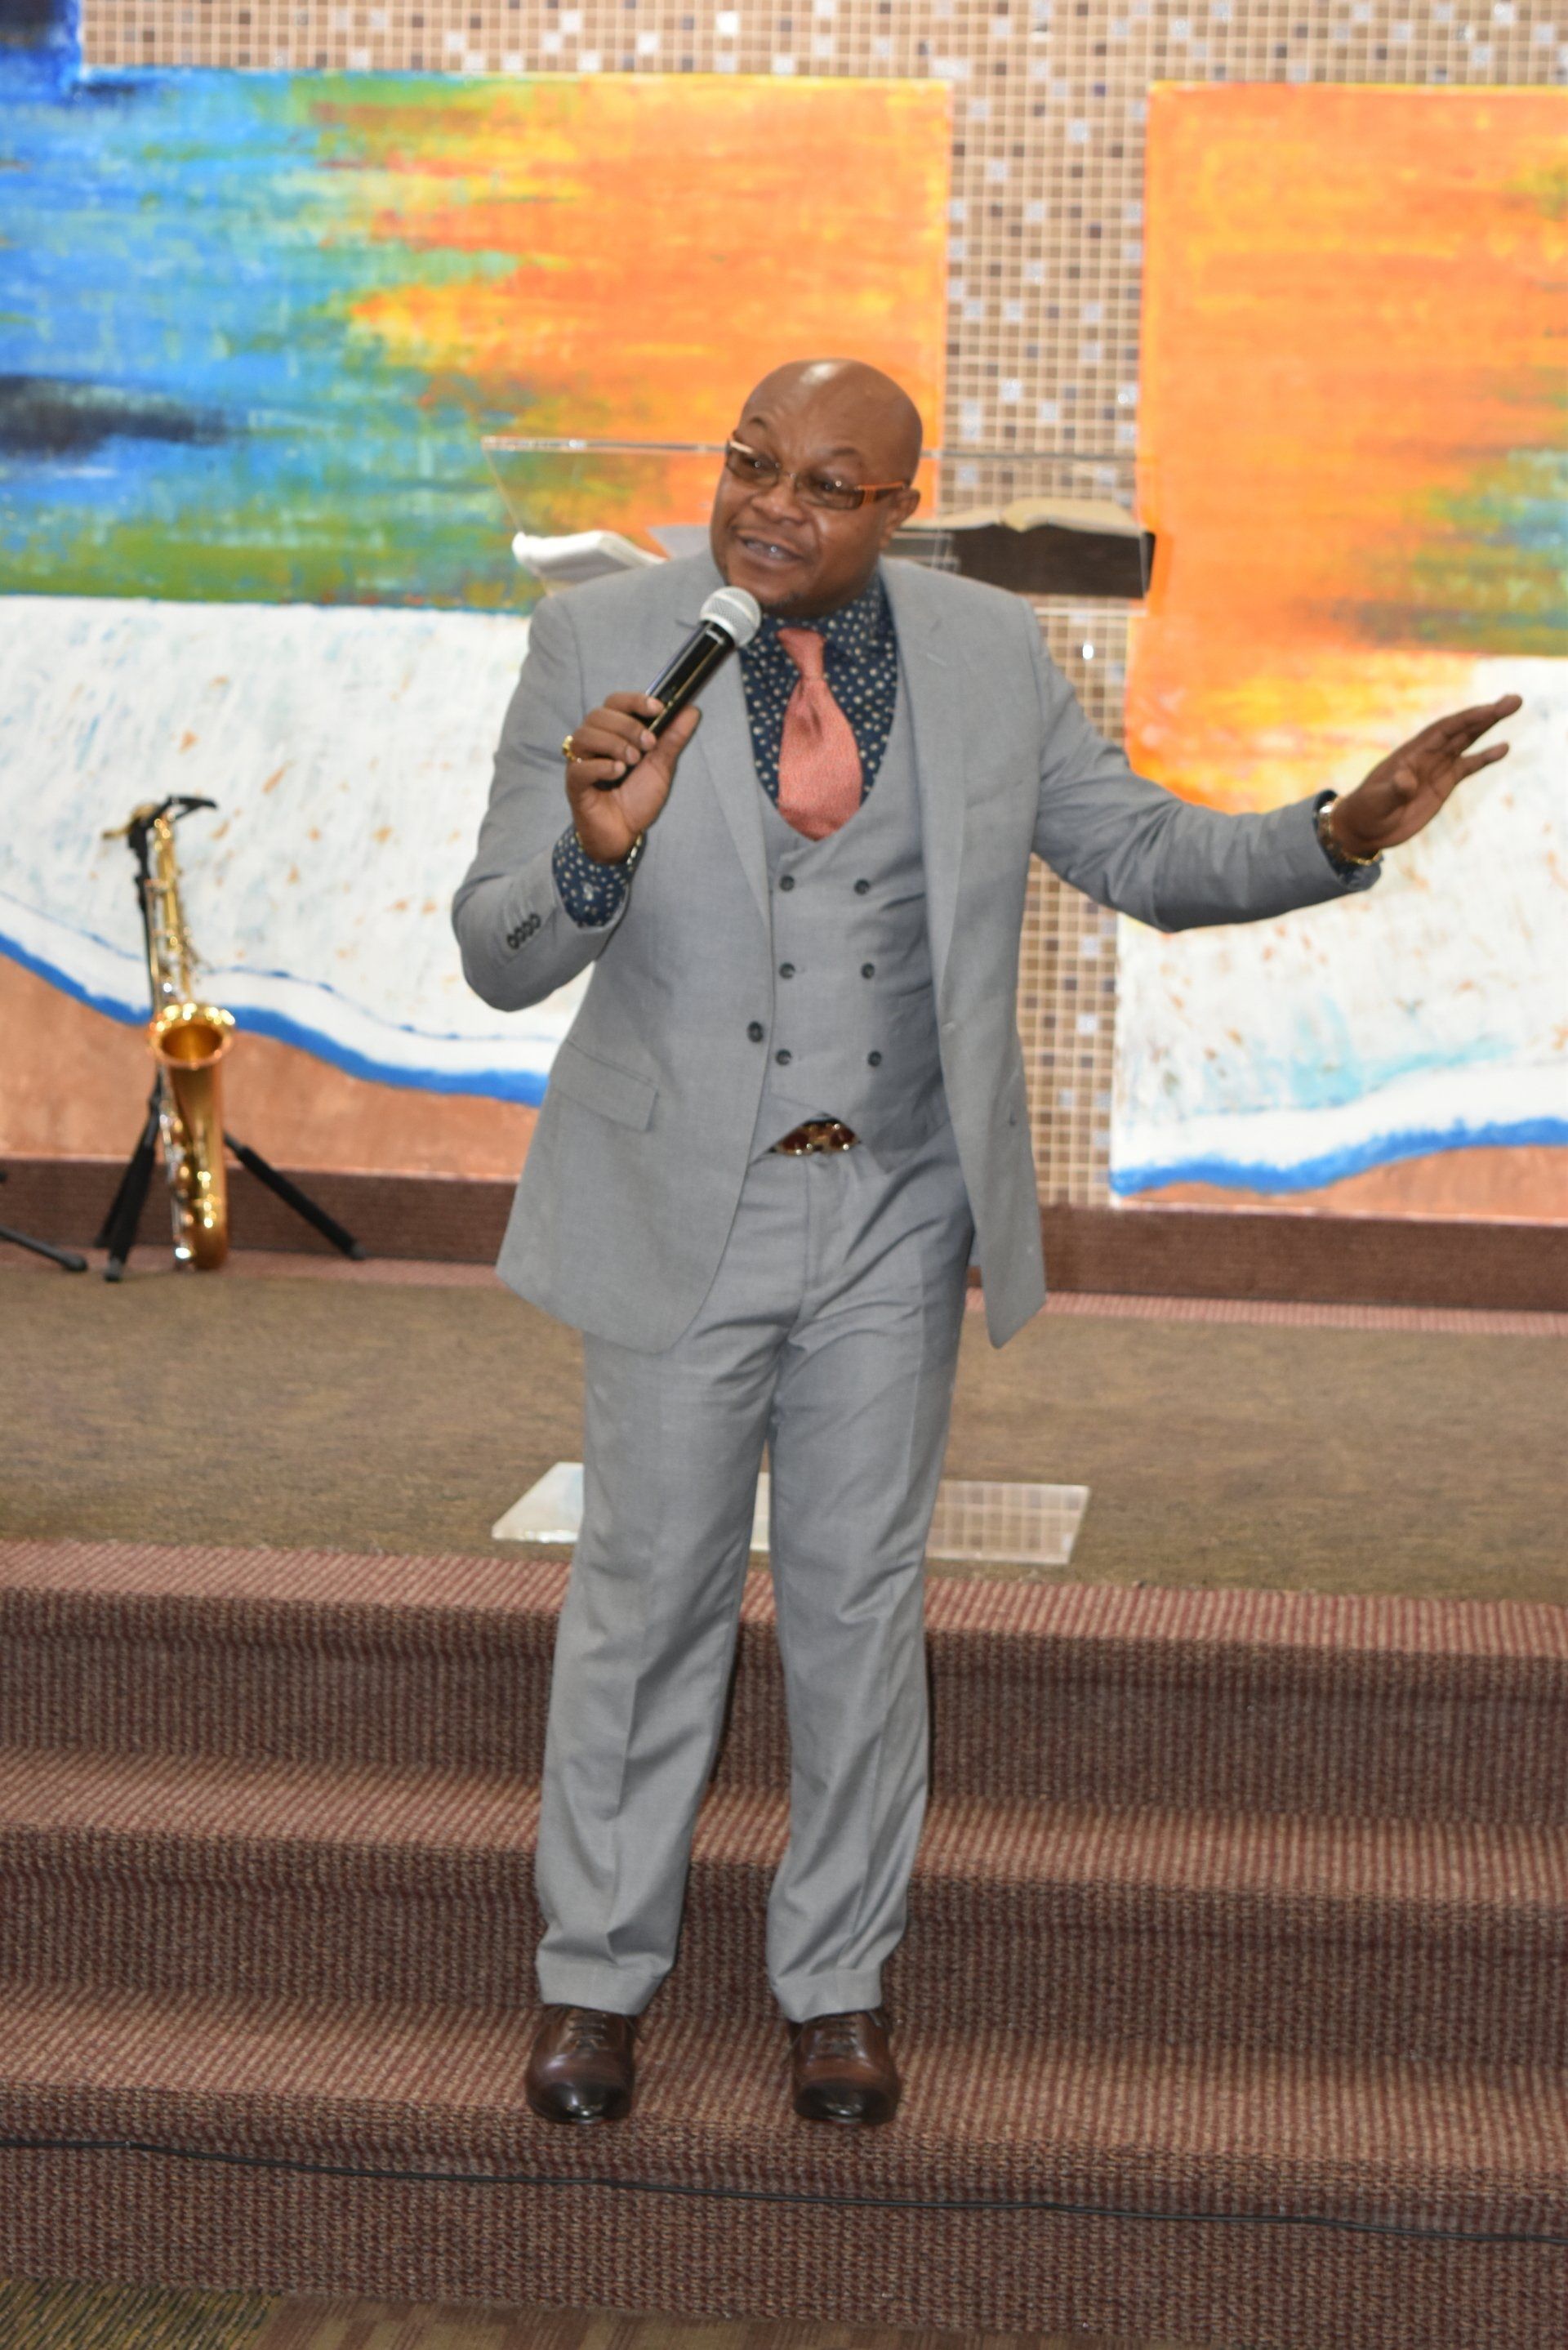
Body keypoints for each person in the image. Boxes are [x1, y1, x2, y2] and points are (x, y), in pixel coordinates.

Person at [452, 356, 1517, 2130]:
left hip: (894, 1203)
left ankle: (837, 1982)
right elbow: (495, 950)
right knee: (647, 1595)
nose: (771, 503)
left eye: (825, 483)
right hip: (676, 1198)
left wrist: (1335, 832)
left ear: (896, 506)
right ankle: (596, 1977)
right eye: (751, 461)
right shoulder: (600, 641)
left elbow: (1142, 851)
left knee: (860, 1602)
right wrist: (591, 855)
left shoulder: (986, 651)